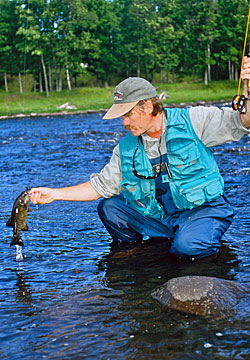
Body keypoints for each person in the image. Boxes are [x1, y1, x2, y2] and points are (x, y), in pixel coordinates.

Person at [29, 57, 250, 260]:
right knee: (109, 206)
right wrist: (54, 194)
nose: (123, 123)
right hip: (162, 218)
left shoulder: (194, 120)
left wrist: (248, 87)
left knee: (187, 249)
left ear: (148, 106)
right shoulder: (125, 148)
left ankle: (200, 242)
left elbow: (244, 121)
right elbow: (100, 187)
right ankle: (136, 253)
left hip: (202, 210)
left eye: (127, 114)